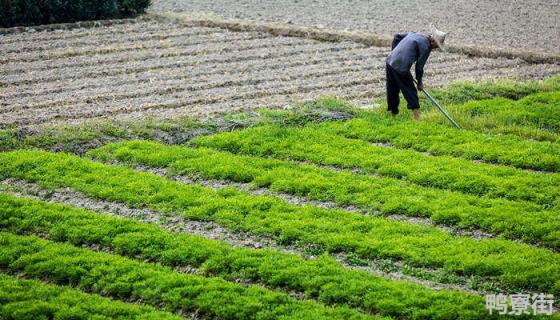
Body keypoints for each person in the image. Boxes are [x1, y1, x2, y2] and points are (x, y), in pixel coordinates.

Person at [385, 27, 447, 120]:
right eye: (437, 45)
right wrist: (420, 82)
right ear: (433, 41)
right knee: (410, 90)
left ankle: (393, 114)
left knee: (392, 88)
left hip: (389, 61)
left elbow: (396, 37)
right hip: (401, 67)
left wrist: (394, 52)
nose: (436, 48)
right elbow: (419, 67)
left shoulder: (416, 34)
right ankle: (416, 118)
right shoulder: (426, 47)